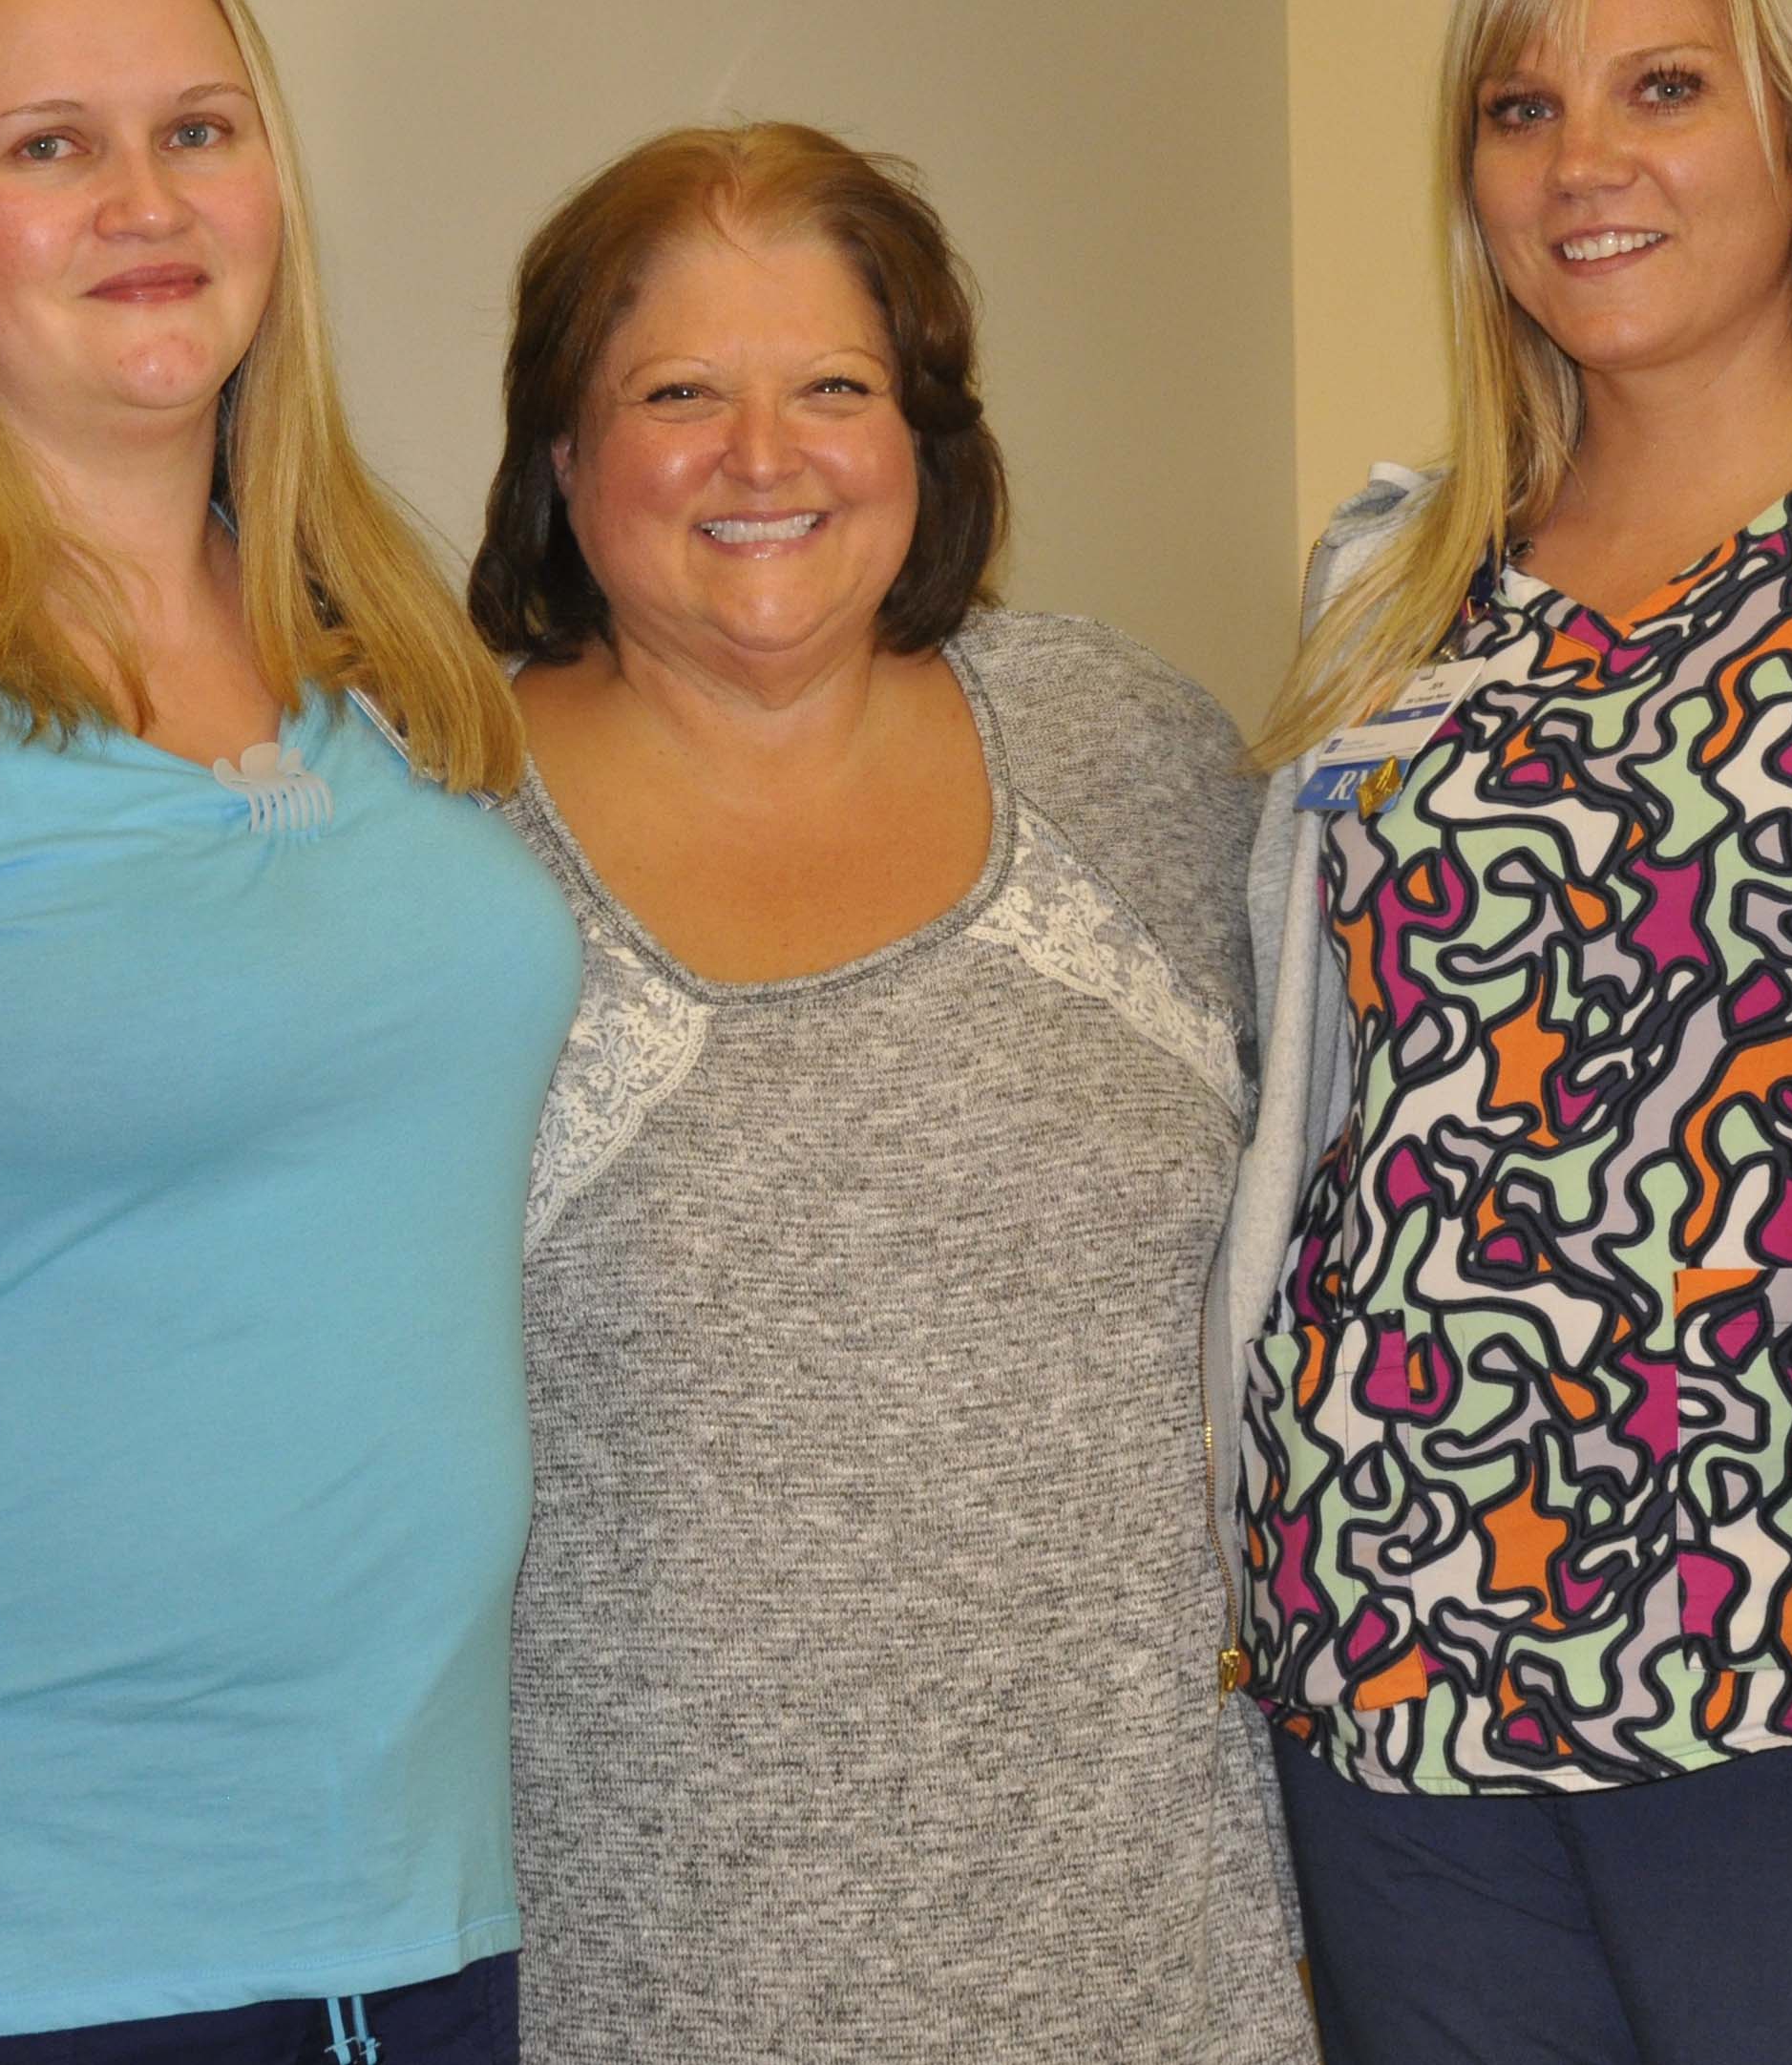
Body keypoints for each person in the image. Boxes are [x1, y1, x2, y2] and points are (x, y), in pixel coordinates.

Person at [0, 0, 579, 2064]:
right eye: (45, 145)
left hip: (407, 1926)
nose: (142, 196)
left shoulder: (382, 670)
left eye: (198, 127)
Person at [1218, 0, 1792, 2063]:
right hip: (1391, 1668)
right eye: (1519, 104)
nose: (1579, 159)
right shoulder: (1387, 583)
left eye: (1661, 87)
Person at [468, 120, 1315, 2062]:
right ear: (561, 456)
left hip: (1144, 1966)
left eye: (832, 387)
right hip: (635, 1978)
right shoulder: (429, 845)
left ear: (923, 439)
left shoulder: (1130, 759)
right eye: (676, 392)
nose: (761, 459)